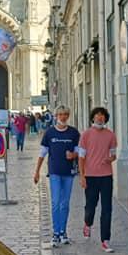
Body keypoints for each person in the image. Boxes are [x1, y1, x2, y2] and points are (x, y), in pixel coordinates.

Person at [33, 105, 79, 247]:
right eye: (60, 114)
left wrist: (73, 155)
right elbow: (42, 153)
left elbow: (80, 152)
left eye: (65, 114)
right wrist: (37, 172)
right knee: (55, 202)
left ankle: (63, 232)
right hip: (54, 172)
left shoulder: (74, 133)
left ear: (68, 116)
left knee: (65, 204)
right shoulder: (50, 133)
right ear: (56, 116)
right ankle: (55, 232)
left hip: (69, 173)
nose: (63, 117)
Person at [77, 106, 118, 252]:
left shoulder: (111, 135)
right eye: (97, 115)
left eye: (102, 115)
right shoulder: (86, 135)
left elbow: (113, 155)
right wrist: (82, 176)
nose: (100, 117)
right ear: (93, 117)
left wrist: (110, 159)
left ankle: (105, 240)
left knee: (107, 208)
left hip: (106, 176)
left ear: (105, 118)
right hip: (90, 176)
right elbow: (81, 157)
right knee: (91, 206)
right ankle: (87, 223)